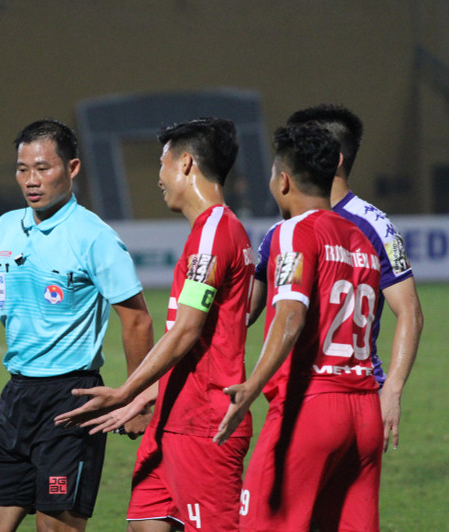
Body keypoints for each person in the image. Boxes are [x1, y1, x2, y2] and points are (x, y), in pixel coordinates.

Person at [0, 119, 155, 532]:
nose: (31, 180)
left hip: (72, 401)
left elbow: (137, 319)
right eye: (22, 169)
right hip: (16, 401)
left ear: (72, 168)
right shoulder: (6, 227)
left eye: (43, 168)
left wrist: (137, 400)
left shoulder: (94, 237)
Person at [55, 117, 255, 531]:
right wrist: (146, 396)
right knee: (143, 524)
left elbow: (186, 330)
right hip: (172, 418)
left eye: (162, 165)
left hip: (203, 426)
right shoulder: (210, 232)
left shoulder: (215, 233)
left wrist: (125, 390)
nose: (159, 178)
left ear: (186, 164)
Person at [214, 122, 384, 531]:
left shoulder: (294, 231)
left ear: (284, 181)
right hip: (365, 410)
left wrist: (251, 387)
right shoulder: (362, 241)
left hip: (312, 406)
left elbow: (291, 315)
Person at [248, 104, 423, 452]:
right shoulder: (280, 231)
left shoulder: (374, 225)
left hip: (348, 391)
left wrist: (392, 391)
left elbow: (410, 312)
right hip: (303, 396)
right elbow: (244, 313)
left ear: (334, 158)